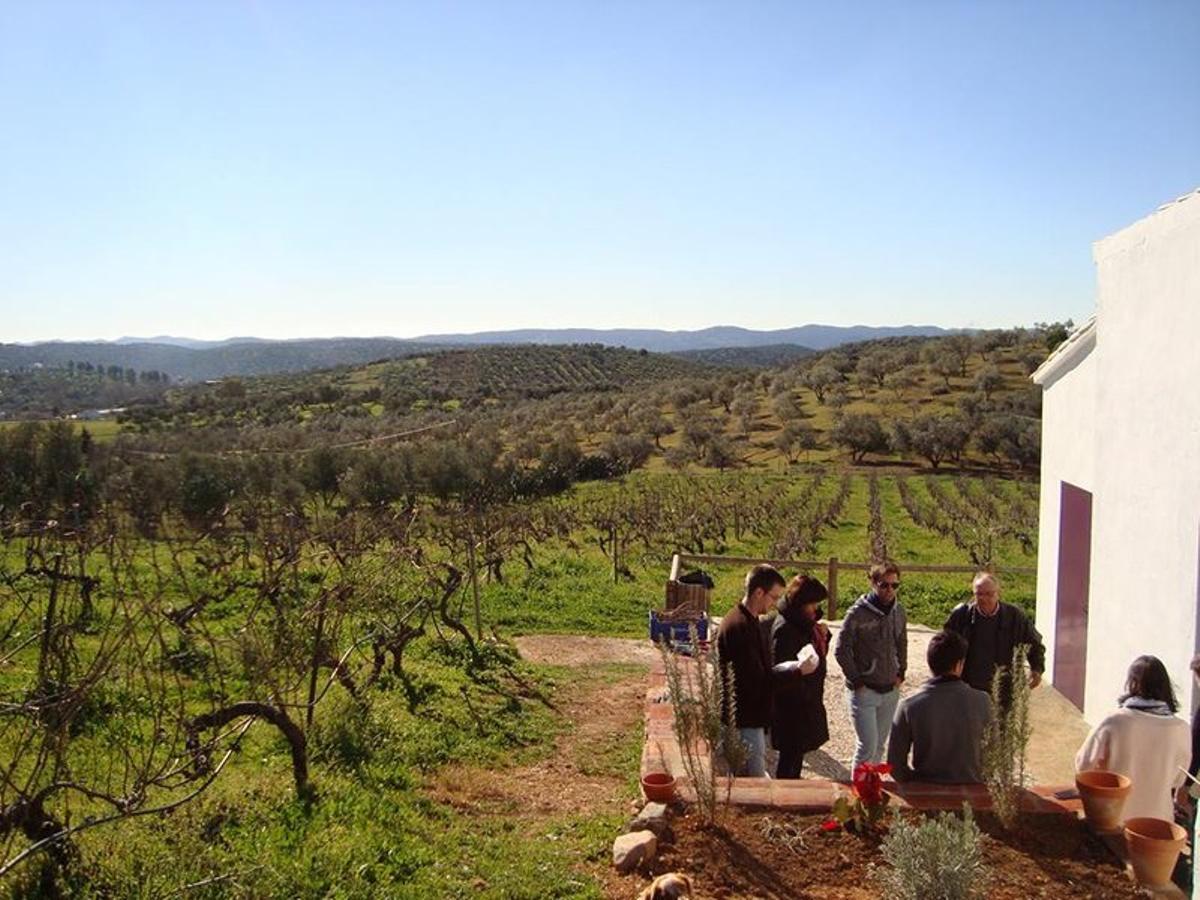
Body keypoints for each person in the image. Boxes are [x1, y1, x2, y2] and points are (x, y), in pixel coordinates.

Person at [1075, 655, 1191, 822]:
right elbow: (1178, 780)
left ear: (1132, 683)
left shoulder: (1114, 721)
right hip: (1158, 824)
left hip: (1113, 820)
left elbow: (1083, 766)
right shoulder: (1181, 728)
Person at [888, 630, 992, 783]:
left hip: (926, 792)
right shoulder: (983, 701)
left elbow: (894, 766)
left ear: (930, 663)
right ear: (959, 664)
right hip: (971, 790)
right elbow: (993, 755)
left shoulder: (909, 705)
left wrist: (914, 783)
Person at [835, 561, 908, 773]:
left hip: (889, 689)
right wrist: (856, 680)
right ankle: (859, 795)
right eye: (884, 585)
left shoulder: (899, 612)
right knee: (866, 746)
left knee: (878, 748)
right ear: (873, 583)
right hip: (865, 689)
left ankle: (872, 791)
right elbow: (841, 649)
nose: (889, 590)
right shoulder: (857, 613)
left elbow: (901, 642)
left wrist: (901, 671)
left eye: (895, 585)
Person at [716, 563, 786, 777]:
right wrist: (794, 673)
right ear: (758, 592)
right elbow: (754, 681)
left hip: (748, 717)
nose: (774, 604)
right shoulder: (739, 627)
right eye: (773, 598)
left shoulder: (747, 619)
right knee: (752, 782)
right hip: (744, 721)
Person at [943, 573, 1045, 703]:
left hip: (1005, 688)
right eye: (979, 594)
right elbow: (944, 648)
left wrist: (1037, 668)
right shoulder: (961, 616)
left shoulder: (1014, 617)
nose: (984, 599)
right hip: (969, 688)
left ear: (998, 593)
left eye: (989, 594)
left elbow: (1034, 643)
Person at [769, 574, 831, 779]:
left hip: (804, 704)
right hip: (792, 708)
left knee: (795, 758)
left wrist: (823, 638)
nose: (816, 609)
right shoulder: (786, 630)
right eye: (813, 604)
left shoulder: (803, 624)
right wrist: (804, 693)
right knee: (789, 761)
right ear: (801, 603)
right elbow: (781, 671)